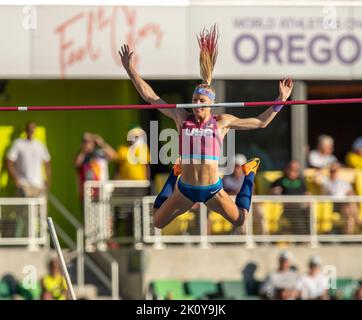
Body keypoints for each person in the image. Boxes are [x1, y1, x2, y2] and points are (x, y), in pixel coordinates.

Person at [118, 25, 294, 230]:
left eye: (201, 100)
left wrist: (280, 101)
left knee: (241, 220)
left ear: (210, 103)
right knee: (157, 222)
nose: (197, 104)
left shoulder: (222, 122)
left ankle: (250, 172)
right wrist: (131, 71)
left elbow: (261, 122)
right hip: (185, 189)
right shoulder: (181, 117)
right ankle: (175, 173)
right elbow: (150, 97)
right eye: (194, 99)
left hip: (212, 189)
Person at [7, 122, 51, 197]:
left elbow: (47, 163)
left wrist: (48, 182)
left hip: (39, 185)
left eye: (32, 128)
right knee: (23, 208)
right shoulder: (18, 143)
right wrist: (16, 179)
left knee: (39, 208)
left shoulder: (40, 144)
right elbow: (9, 162)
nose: (31, 131)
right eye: (29, 129)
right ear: (25, 130)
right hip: (23, 185)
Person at [315, 161, 361, 234]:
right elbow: (316, 179)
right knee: (349, 210)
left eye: (334, 170)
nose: (333, 172)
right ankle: (359, 222)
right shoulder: (326, 180)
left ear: (338, 171)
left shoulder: (343, 182)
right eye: (331, 170)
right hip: (330, 204)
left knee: (350, 218)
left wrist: (351, 201)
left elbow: (350, 193)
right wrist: (323, 169)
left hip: (343, 203)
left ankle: (347, 237)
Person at [270, 160, 310, 234]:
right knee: (296, 215)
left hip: (301, 205)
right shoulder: (280, 181)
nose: (293, 172)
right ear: (286, 169)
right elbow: (273, 193)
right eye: (291, 169)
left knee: (309, 214)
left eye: (295, 170)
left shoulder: (301, 181)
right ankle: (302, 238)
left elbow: (307, 193)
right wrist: (276, 193)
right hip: (288, 206)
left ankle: (310, 236)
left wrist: (308, 202)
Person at [75, 132, 117, 200]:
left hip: (102, 190)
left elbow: (114, 156)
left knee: (103, 210)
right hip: (87, 193)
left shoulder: (101, 153)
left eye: (90, 141)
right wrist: (84, 151)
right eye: (85, 142)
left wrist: (102, 143)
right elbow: (77, 164)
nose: (88, 144)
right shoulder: (82, 155)